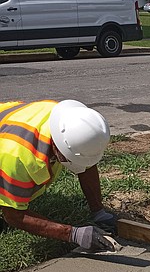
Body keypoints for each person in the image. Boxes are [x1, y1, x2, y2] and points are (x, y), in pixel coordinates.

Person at [0, 99, 117, 252]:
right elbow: (14, 215)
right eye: (71, 158)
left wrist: (99, 212)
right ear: (57, 146)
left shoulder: (67, 121)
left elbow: (86, 164)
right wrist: (72, 234)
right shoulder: (17, 159)